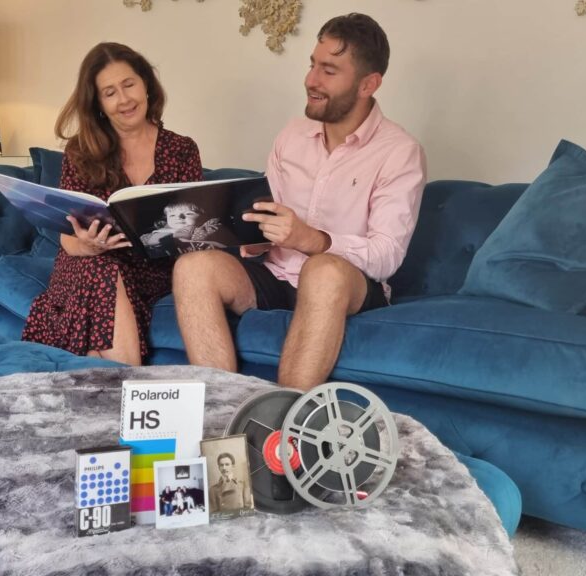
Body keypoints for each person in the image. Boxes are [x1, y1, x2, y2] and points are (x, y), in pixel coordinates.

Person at [173, 13, 426, 390]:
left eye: (329, 70)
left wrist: (312, 240)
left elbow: (387, 255)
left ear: (368, 84)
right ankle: (222, 412)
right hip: (275, 275)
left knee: (322, 270)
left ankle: (285, 424)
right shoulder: (292, 135)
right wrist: (246, 234)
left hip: (346, 285)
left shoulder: (400, 152)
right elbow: (266, 219)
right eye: (312, 65)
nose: (311, 80)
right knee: (193, 267)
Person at [21, 42, 203, 365]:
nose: (124, 100)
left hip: (151, 272)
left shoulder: (182, 150)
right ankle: (123, 377)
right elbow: (67, 237)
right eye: (109, 92)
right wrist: (89, 246)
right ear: (99, 105)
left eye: (129, 84)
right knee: (100, 265)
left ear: (146, 84)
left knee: (104, 279)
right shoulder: (81, 151)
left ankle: (85, 371)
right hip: (85, 263)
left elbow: (196, 229)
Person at [139, 201, 231, 258]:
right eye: (172, 215)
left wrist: (186, 231)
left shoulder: (208, 226)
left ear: (203, 216)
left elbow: (208, 236)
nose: (179, 217)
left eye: (188, 214)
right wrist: (165, 234)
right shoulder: (161, 230)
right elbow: (145, 240)